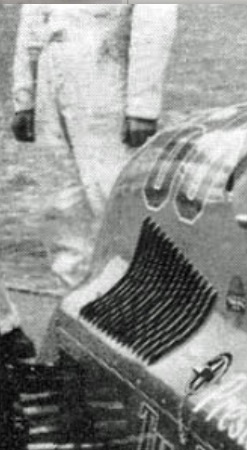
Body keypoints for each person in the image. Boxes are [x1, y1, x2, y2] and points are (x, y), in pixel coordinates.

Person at [10, 4, 178, 288]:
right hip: (49, 64)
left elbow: (155, 20)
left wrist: (142, 106)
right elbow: (33, 13)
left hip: (104, 65)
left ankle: (130, 293)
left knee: (109, 190)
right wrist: (25, 95)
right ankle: (74, 292)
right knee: (60, 199)